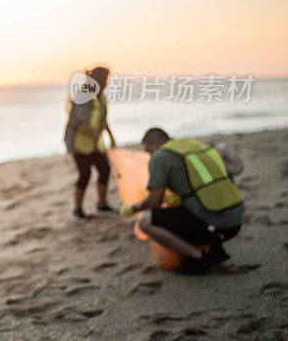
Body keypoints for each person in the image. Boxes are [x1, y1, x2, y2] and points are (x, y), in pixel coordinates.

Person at [120, 127, 245, 275]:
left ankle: (199, 258)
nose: (149, 155)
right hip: (236, 220)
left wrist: (133, 208)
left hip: (216, 227)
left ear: (154, 144)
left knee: (145, 220)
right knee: (187, 205)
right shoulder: (195, 145)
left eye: (148, 151)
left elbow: (154, 202)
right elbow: (236, 169)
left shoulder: (160, 156)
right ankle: (215, 249)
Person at [64, 66, 117, 223]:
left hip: (93, 142)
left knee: (104, 169)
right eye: (105, 79)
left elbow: (102, 119)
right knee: (85, 174)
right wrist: (97, 139)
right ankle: (77, 210)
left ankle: (102, 206)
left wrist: (111, 136)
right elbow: (84, 121)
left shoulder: (100, 96)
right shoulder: (83, 95)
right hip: (78, 142)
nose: (107, 83)